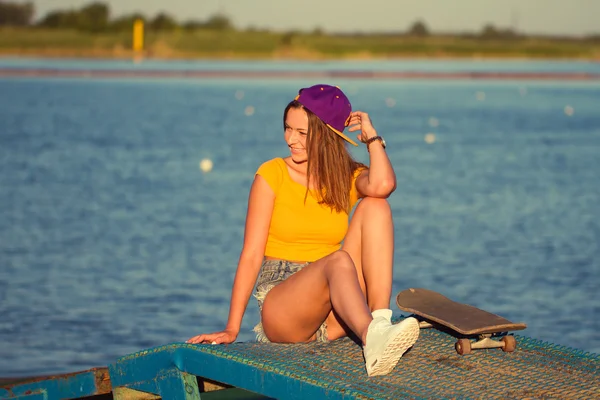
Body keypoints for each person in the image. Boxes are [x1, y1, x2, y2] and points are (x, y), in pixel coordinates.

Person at [187, 84, 419, 376]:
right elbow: (251, 253)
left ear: (324, 136)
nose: (289, 139)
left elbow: (384, 186)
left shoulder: (343, 176)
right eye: (287, 129)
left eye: (301, 133)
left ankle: (379, 322)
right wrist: (232, 327)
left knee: (377, 207)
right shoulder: (272, 175)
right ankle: (373, 337)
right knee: (337, 261)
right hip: (284, 307)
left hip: (336, 305)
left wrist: (372, 137)